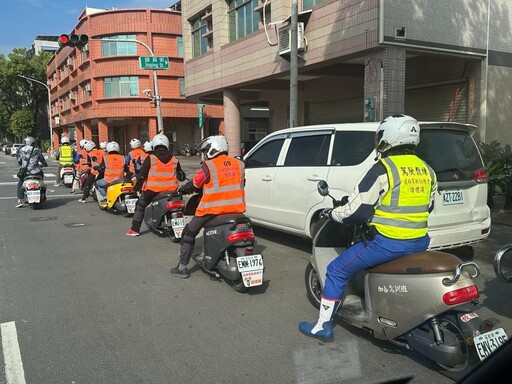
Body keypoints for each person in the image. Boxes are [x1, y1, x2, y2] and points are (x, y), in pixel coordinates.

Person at [298, 114, 438, 342]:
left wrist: (332, 213)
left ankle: (323, 327)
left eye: (379, 136)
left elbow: (357, 211)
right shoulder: (427, 170)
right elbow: (429, 206)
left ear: (387, 138)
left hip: (386, 243)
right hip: (420, 241)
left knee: (336, 270)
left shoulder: (383, 169)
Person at [170, 135, 245, 278]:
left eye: (206, 150)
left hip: (211, 209)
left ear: (212, 149)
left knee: (189, 233)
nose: (204, 154)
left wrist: (182, 189)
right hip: (236, 209)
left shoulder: (209, 166)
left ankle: (182, 267)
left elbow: (195, 184)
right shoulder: (239, 164)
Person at [126, 134, 185, 237]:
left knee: (140, 205)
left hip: (153, 191)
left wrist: (136, 188)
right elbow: (181, 176)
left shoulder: (151, 158)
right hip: (172, 191)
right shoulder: (174, 158)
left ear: (154, 145)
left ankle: (134, 229)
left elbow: (141, 176)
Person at [16, 136, 48, 208]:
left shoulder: (21, 150)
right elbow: (42, 160)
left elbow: (19, 160)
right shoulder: (37, 150)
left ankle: (20, 200)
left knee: (20, 184)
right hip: (36, 171)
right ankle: (42, 193)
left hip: (26, 172)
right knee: (41, 179)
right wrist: (45, 164)